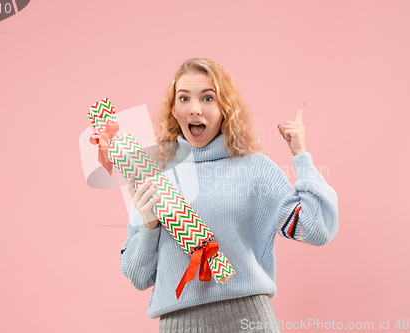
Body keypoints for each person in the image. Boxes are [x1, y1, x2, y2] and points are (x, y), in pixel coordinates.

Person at [120, 58, 339, 333]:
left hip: (249, 322)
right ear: (173, 109)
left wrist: (301, 156)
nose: (195, 109)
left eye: (208, 98)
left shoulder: (255, 168)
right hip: (178, 326)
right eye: (184, 98)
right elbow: (139, 276)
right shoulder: (153, 175)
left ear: (225, 108)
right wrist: (149, 226)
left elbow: (317, 228)